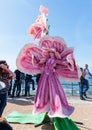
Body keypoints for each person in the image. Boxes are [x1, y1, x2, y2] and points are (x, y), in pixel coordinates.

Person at [16, 36, 79, 118]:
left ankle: (55, 107)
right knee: (43, 91)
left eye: (52, 53)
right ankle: (43, 106)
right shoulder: (45, 59)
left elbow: (63, 62)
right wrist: (33, 58)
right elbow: (37, 63)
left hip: (52, 75)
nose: (51, 54)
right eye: (50, 53)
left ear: (55, 54)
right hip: (45, 75)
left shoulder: (56, 60)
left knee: (54, 91)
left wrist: (70, 61)